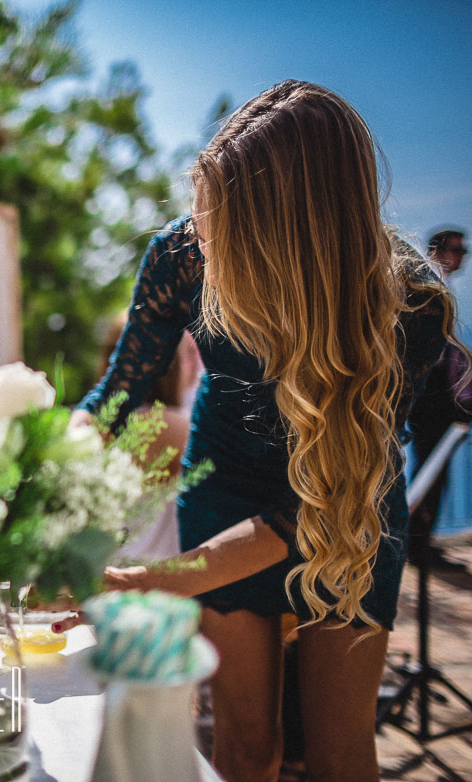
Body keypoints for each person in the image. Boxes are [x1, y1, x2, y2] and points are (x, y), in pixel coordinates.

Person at [58, 80, 467, 782]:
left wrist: (144, 579)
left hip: (348, 515)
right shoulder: (179, 257)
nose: (201, 247)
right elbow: (119, 396)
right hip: (223, 488)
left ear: (288, 236)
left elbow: (308, 512)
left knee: (338, 753)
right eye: (199, 223)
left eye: (220, 233)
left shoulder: (405, 306)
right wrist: (35, 476)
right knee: (245, 749)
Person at [98, 313, 202, 561]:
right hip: (160, 581)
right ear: (171, 365)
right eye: (187, 354)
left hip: (106, 576)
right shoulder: (172, 426)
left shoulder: (97, 429)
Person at [406, 227, 471, 569]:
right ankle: (417, 546)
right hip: (432, 399)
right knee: (432, 472)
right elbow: (443, 355)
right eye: (458, 250)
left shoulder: (435, 288)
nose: (463, 257)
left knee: (432, 471)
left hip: (431, 397)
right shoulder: (432, 290)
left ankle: (419, 542)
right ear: (439, 250)